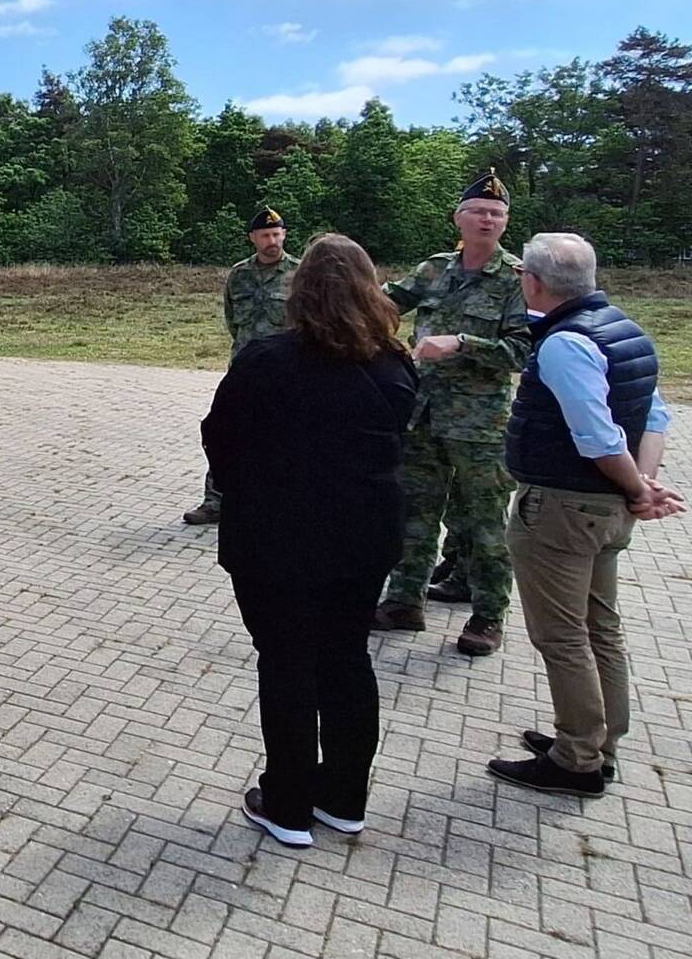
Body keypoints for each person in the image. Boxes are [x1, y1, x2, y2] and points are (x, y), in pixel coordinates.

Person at [203, 234, 418, 849]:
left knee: (288, 662)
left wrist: (252, 489)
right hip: (364, 534)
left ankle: (289, 803)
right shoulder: (395, 364)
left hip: (278, 537)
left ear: (299, 293)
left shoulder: (267, 360)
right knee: (347, 660)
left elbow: (221, 440)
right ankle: (345, 798)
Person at [487, 233, 684, 797]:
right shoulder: (628, 331)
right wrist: (641, 487)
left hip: (562, 509)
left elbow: (597, 437)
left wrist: (634, 487)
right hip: (604, 509)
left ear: (534, 282)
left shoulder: (565, 343)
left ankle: (576, 759)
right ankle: (600, 742)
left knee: (563, 637)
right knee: (601, 627)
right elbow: (653, 416)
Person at [372, 171, 531, 657]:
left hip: (480, 427)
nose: (487, 218)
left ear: (505, 223)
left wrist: (463, 343)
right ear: (458, 218)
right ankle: (404, 601)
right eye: (478, 211)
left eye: (497, 213)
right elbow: (386, 301)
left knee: (483, 524)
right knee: (415, 514)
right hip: (423, 416)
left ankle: (487, 617)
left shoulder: (517, 280)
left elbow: (523, 351)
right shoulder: (435, 269)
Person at [185, 208, 301, 526]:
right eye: (265, 235)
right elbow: (232, 319)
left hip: (286, 373)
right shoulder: (238, 275)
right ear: (252, 238)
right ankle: (216, 502)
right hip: (244, 370)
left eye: (277, 234)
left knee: (286, 438)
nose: (272, 241)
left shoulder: (300, 274)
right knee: (228, 432)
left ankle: (282, 504)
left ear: (284, 235)